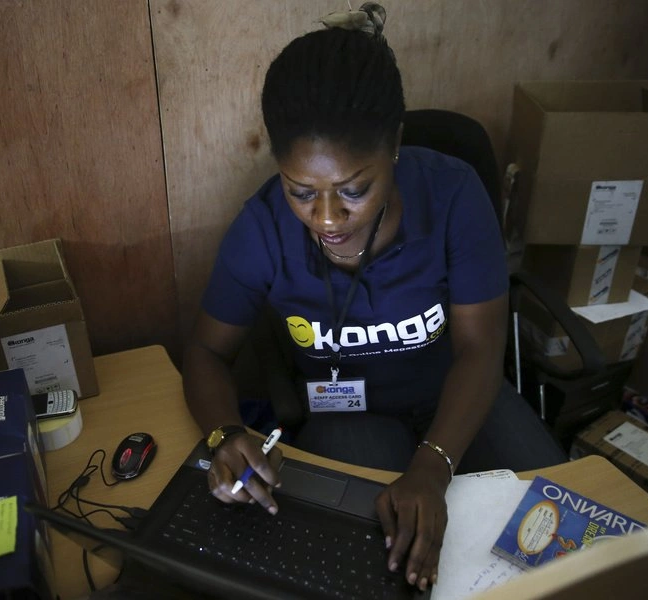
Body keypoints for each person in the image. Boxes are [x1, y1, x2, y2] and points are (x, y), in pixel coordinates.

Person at [181, 2, 567, 593]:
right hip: (349, 414)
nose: (328, 218)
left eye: (354, 190)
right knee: (365, 569)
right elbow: (206, 353)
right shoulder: (261, 230)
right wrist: (224, 435)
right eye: (300, 191)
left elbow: (480, 348)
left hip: (460, 393)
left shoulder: (453, 197)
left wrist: (434, 466)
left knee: (565, 538)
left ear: (395, 147)